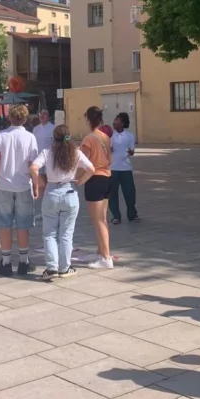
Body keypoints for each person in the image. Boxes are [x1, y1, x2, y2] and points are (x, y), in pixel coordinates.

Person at [31, 125, 96, 280]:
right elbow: (91, 169)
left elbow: (33, 167)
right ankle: (65, 268)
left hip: (52, 192)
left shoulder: (47, 152)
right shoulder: (76, 152)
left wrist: (40, 181)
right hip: (69, 191)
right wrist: (80, 181)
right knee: (66, 234)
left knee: (49, 233)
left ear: (54, 138)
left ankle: (51, 268)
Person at [0, 105, 40, 277]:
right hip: (23, 184)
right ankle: (23, 261)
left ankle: (5, 262)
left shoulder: (1, 136)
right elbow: (33, 164)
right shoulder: (30, 137)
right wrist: (36, 185)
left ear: (9, 118)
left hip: (4, 184)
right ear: (25, 119)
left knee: (5, 225)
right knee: (23, 225)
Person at [81, 106, 115, 269]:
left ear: (88, 119)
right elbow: (110, 160)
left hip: (94, 179)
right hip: (107, 178)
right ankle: (101, 251)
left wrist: (77, 179)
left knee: (97, 220)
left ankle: (106, 258)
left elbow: (83, 163)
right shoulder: (105, 137)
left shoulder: (88, 139)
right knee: (102, 218)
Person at [109, 112, 138, 224]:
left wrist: (131, 152)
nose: (114, 122)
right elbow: (107, 149)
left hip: (126, 168)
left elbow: (132, 151)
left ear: (122, 123)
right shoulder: (110, 136)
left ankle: (132, 215)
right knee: (112, 194)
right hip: (112, 168)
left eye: (117, 120)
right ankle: (116, 216)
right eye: (115, 119)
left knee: (130, 193)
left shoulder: (129, 136)